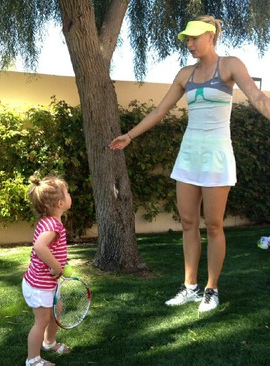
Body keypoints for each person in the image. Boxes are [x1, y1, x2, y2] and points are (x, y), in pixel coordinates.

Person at [109, 15, 270, 313]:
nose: (190, 43)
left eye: (195, 38)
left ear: (211, 36)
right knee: (187, 223)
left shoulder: (230, 65)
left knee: (215, 225)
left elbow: (258, 97)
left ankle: (212, 289)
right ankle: (190, 286)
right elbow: (160, 110)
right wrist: (129, 135)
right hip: (189, 154)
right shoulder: (185, 74)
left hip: (217, 155)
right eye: (187, 39)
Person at [22, 175, 72, 366]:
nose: (69, 196)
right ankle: (32, 360)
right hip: (39, 283)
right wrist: (56, 267)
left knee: (56, 311)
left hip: (48, 281)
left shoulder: (49, 221)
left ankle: (49, 342)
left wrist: (59, 263)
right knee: (41, 320)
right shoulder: (52, 225)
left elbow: (49, 248)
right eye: (67, 193)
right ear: (60, 202)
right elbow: (40, 247)